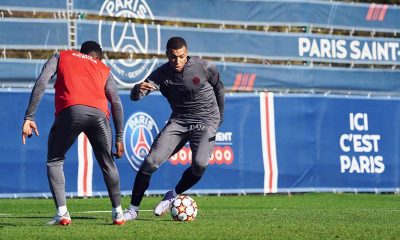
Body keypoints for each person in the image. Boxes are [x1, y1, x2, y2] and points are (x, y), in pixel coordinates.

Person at [21, 41, 125, 225]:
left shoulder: (62, 56)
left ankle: (62, 213)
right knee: (107, 163)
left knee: (55, 159)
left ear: (80, 53)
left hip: (71, 110)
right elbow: (116, 102)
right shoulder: (103, 68)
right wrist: (119, 137)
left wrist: (29, 116)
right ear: (98, 57)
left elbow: (42, 81)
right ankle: (118, 212)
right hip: (100, 114)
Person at [123, 36, 225, 221]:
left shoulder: (205, 66)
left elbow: (219, 89)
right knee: (150, 162)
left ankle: (173, 194)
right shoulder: (160, 74)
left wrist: (219, 117)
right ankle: (132, 210)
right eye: (172, 57)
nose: (177, 61)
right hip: (179, 121)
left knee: (200, 165)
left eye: (181, 56)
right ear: (166, 55)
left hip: (205, 121)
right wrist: (137, 89)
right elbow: (136, 97)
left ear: (187, 53)